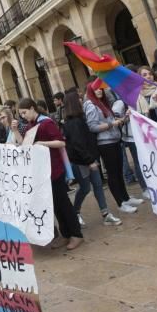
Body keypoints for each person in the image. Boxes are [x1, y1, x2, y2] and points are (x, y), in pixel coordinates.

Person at [16, 98, 84, 250]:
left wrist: (42, 144)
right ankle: (65, 234)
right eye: (21, 114)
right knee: (54, 205)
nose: (24, 116)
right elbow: (26, 145)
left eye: (25, 112)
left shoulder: (46, 123)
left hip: (54, 169)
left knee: (64, 203)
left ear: (32, 108)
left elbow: (61, 142)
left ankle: (76, 234)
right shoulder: (30, 126)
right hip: (42, 172)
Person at [62, 89, 121, 227]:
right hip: (81, 161)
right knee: (85, 188)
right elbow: (78, 144)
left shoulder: (80, 119)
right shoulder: (74, 122)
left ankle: (105, 214)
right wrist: (89, 161)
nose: (82, 100)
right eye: (79, 98)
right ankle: (75, 212)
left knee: (98, 185)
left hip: (89, 159)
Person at [84, 80, 143, 214]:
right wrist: (112, 125)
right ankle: (120, 202)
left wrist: (123, 119)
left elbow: (111, 121)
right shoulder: (91, 105)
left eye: (100, 89)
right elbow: (92, 126)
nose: (99, 91)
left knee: (118, 171)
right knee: (112, 173)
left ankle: (125, 198)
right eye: (96, 89)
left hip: (114, 140)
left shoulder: (102, 103)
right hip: (105, 144)